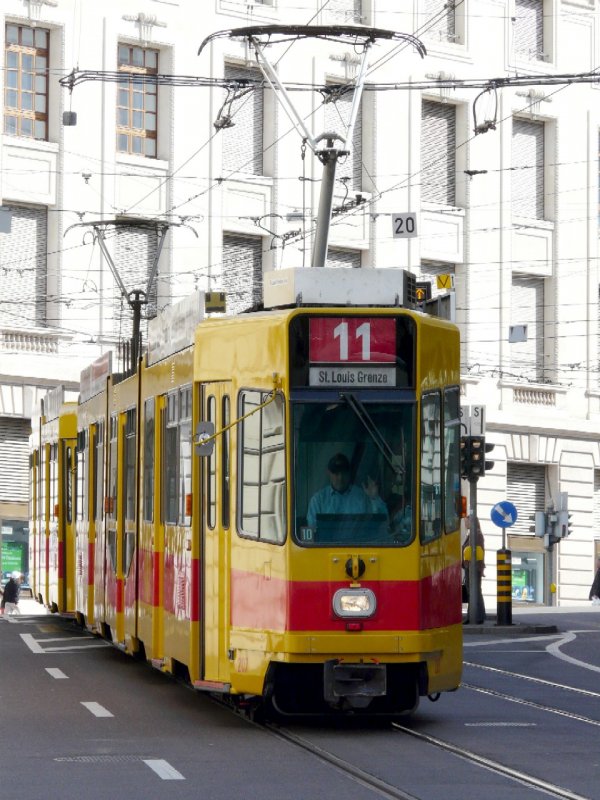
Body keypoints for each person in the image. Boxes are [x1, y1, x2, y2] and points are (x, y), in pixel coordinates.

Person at [306, 452, 387, 530]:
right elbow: (313, 531)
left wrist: (374, 498)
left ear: (349, 473)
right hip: (327, 544)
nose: (340, 478)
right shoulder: (318, 500)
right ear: (329, 473)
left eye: (344, 473)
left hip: (358, 543)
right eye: (336, 474)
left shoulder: (362, 497)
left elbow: (382, 525)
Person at [462, 518, 485, 624]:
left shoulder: (476, 535)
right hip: (470, 566)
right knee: (474, 591)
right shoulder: (472, 534)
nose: (465, 523)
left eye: (466, 521)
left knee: (474, 591)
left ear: (471, 522)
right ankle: (476, 615)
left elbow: (478, 551)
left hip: (473, 567)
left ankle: (475, 616)